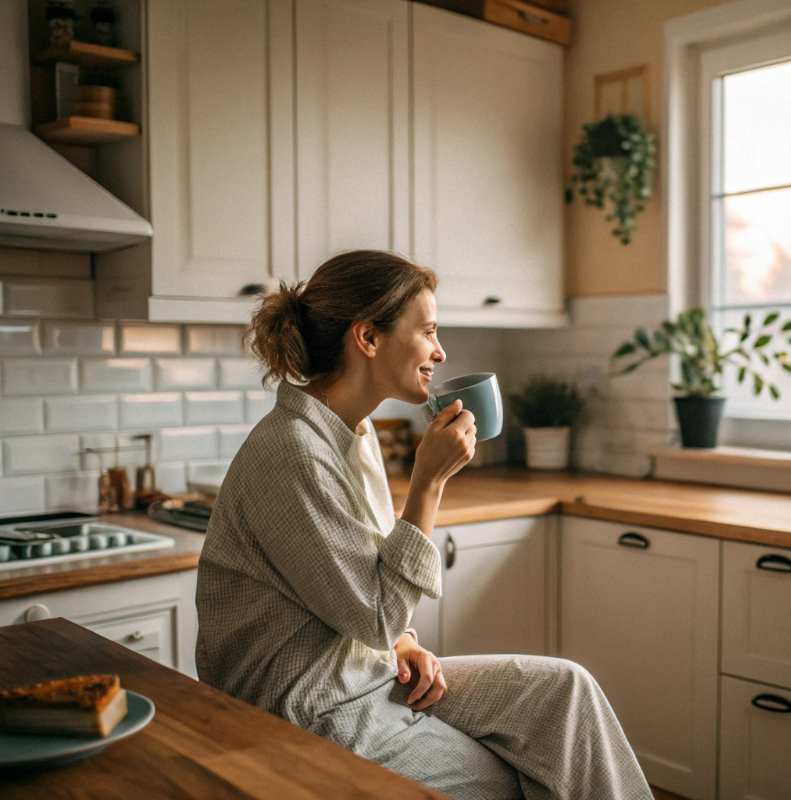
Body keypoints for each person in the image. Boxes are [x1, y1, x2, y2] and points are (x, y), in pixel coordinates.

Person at [195, 250, 653, 799]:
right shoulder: (293, 452)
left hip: (369, 675)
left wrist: (406, 642)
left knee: (565, 695)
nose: (439, 352)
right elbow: (374, 615)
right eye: (429, 331)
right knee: (503, 783)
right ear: (367, 338)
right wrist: (428, 482)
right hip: (306, 705)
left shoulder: (353, 434)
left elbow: (366, 589)